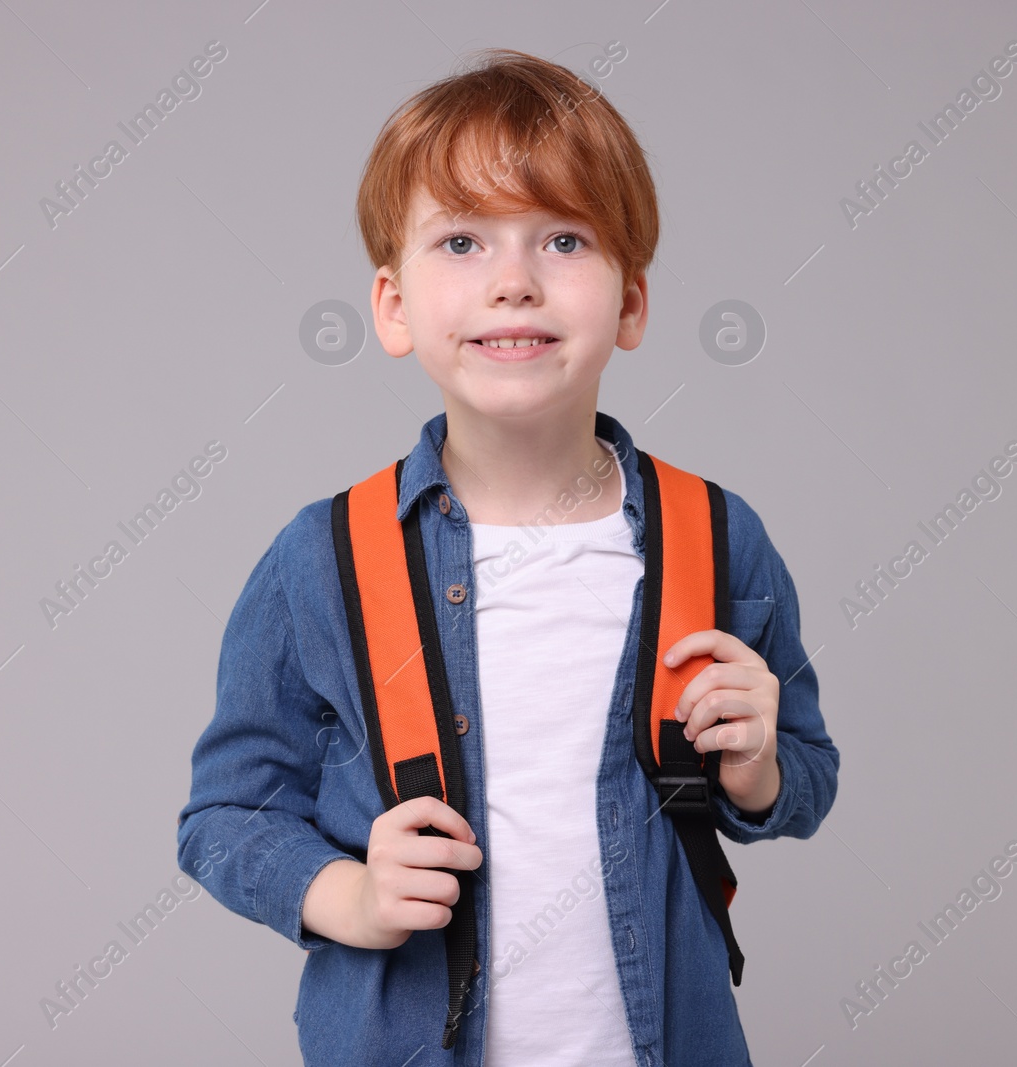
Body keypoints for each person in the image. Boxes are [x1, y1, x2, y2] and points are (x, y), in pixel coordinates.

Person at [177, 46, 839, 1067]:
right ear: (393, 306)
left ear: (628, 303)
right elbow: (224, 813)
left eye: (564, 239)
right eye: (462, 244)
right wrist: (348, 893)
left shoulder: (714, 535)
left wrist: (756, 765)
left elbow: (805, 774)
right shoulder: (324, 558)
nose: (515, 282)